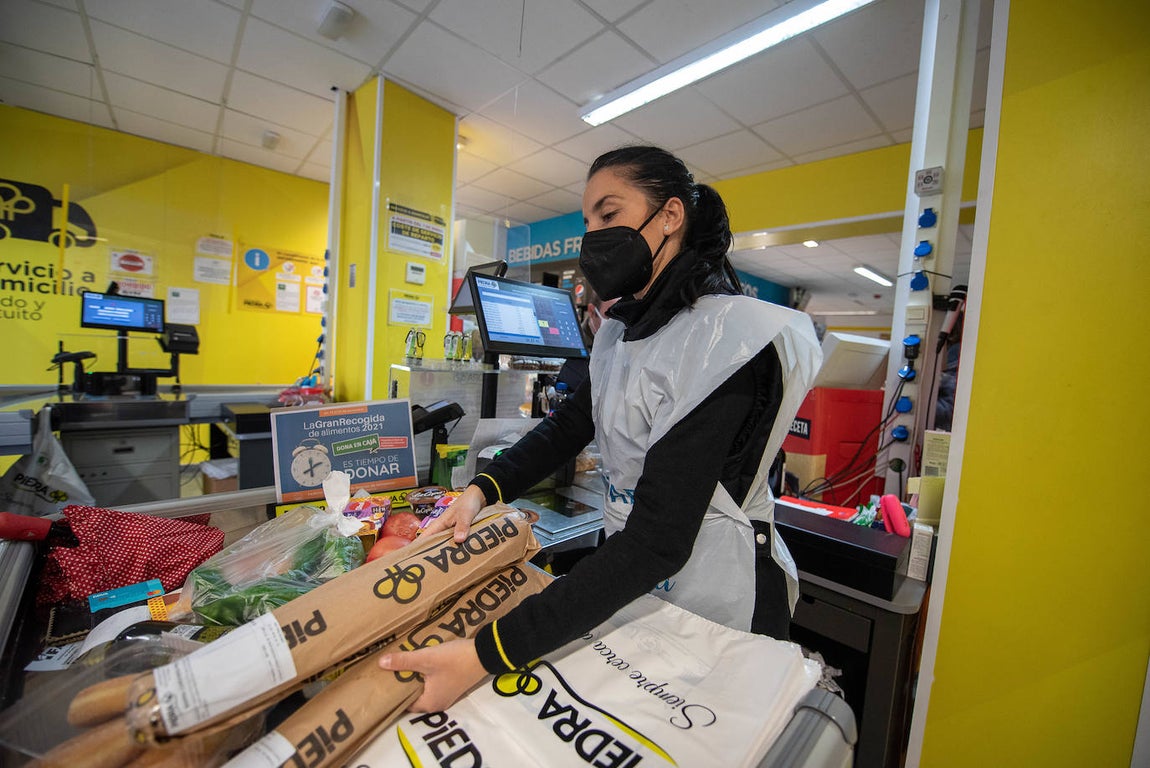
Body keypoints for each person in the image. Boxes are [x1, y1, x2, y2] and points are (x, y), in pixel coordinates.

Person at [379, 145, 821, 712]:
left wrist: (486, 653)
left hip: (718, 592)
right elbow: (569, 426)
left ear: (669, 216)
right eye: (587, 222)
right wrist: (480, 491)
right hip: (632, 581)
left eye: (608, 215)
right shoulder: (621, 332)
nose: (593, 236)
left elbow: (659, 541)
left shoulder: (725, 342)